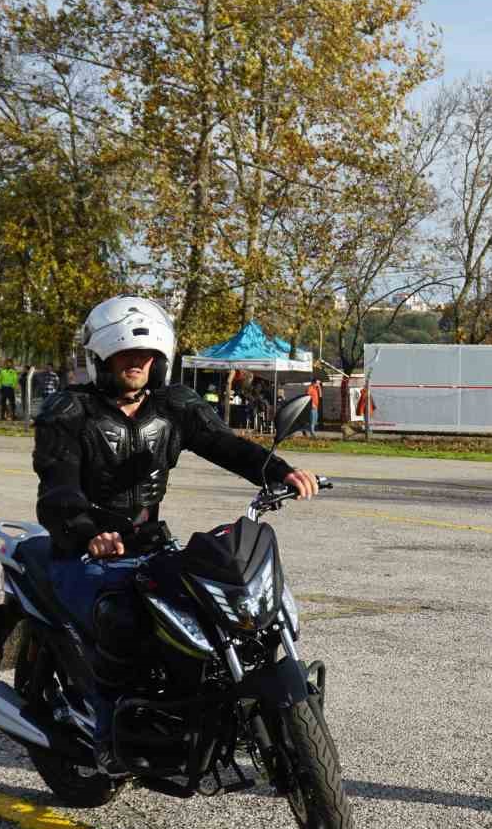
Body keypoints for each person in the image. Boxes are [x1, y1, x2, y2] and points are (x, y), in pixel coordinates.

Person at [32, 295, 320, 772]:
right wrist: (87, 532)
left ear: (161, 359)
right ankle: (107, 735)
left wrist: (280, 472)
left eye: (145, 356)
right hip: (83, 551)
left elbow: (226, 445)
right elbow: (57, 488)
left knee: (214, 605)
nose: (137, 364)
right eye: (126, 355)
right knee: (120, 617)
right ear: (101, 358)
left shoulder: (175, 407)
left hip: (148, 544)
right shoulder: (68, 412)